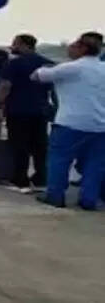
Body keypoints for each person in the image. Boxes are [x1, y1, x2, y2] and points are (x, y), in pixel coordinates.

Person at [32, 35, 105, 210]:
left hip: (70, 123)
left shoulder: (71, 68)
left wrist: (49, 68)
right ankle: (89, 199)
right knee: (95, 164)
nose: (69, 49)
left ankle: (55, 195)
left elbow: (36, 76)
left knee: (59, 160)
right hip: (101, 125)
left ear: (82, 49)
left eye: (72, 46)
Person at [0, 34, 52, 192]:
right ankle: (41, 179)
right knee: (40, 146)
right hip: (41, 110)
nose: (12, 47)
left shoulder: (14, 64)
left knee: (19, 146)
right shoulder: (47, 63)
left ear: (23, 45)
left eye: (15, 44)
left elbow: (5, 86)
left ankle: (21, 180)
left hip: (18, 110)